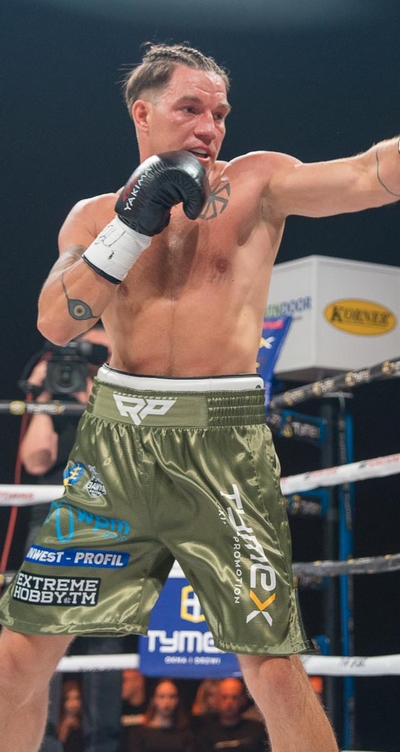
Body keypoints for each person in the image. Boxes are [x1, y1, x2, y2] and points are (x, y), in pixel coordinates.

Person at [0, 40, 399, 752]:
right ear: (142, 114)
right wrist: (131, 227)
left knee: (275, 671)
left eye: (219, 113)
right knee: (16, 657)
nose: (210, 127)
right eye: (191, 109)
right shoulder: (93, 217)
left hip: (223, 449)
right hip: (116, 454)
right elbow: (57, 323)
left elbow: (368, 173)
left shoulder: (257, 183)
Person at [19, 324, 126, 752]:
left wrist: (91, 397)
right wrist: (47, 397)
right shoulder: (58, 399)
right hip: (50, 523)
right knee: (43, 635)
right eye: (82, 356)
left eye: (97, 356)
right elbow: (35, 460)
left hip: (108, 523)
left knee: (104, 637)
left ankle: (104, 744)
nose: (88, 365)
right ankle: (42, 743)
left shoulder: (125, 400)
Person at [194, 677, 269, 752]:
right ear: (217, 699)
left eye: (234, 697)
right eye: (224, 697)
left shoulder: (257, 729)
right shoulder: (205, 733)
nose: (229, 703)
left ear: (242, 700)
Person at [119, 678, 194, 752]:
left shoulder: (185, 734)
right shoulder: (139, 734)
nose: (167, 702)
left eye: (172, 697)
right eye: (161, 696)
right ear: (153, 700)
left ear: (177, 700)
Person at [57, 679, 84, 752]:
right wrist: (65, 726)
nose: (73, 704)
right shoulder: (57, 723)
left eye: (77, 698)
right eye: (68, 699)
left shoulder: (84, 723)